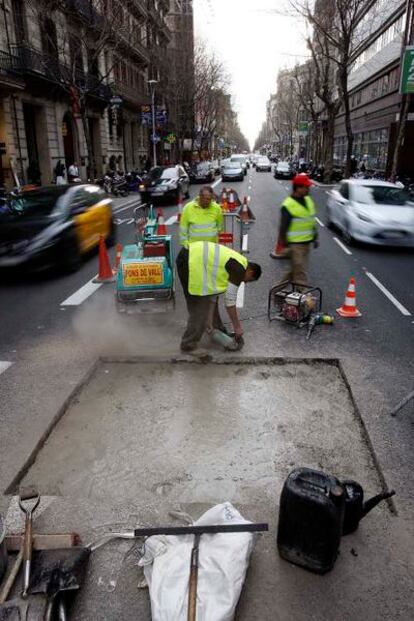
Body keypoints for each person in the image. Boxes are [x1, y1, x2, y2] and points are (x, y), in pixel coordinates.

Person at [176, 241, 261, 352]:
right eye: (249, 280)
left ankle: (212, 330)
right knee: (199, 309)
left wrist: (210, 320)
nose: (245, 282)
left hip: (191, 258)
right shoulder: (239, 269)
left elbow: (212, 296)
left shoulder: (238, 262)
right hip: (190, 261)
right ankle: (188, 345)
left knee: (204, 308)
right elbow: (230, 302)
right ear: (250, 271)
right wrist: (237, 327)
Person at [272, 173, 318, 287]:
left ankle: (276, 291)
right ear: (298, 188)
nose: (308, 189)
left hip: (306, 243)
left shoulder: (308, 200)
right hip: (295, 245)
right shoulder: (288, 205)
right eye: (305, 187)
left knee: (294, 270)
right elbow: (283, 226)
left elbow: (310, 219)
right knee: (300, 274)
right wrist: (284, 244)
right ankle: (304, 300)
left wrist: (315, 236)